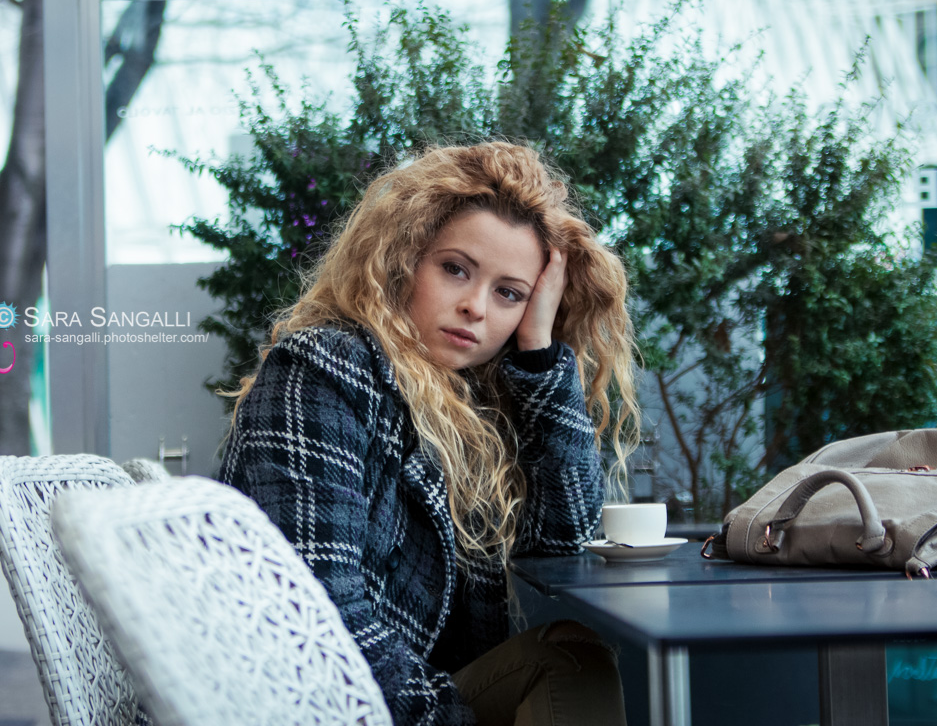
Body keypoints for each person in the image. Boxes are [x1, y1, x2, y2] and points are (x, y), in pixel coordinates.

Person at [218, 141, 640, 725]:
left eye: (509, 293)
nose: (475, 306)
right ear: (403, 258)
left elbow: (564, 546)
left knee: (572, 654)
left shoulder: (477, 402)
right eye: (455, 269)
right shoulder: (323, 370)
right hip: (312, 703)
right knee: (566, 660)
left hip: (409, 692)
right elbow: (319, 613)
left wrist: (540, 357)